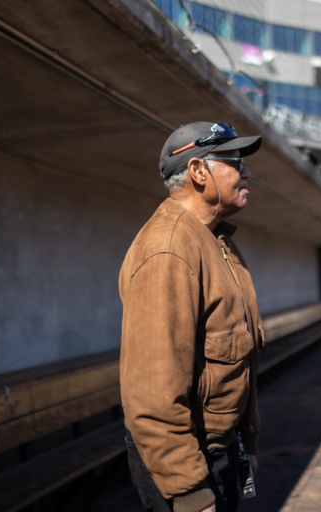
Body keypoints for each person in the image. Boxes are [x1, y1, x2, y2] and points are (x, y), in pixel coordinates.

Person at [119, 122, 264, 512]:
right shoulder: (168, 250)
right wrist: (189, 492)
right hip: (188, 459)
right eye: (235, 161)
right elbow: (152, 392)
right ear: (199, 171)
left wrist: (245, 442)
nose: (247, 171)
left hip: (221, 447)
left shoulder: (217, 241)